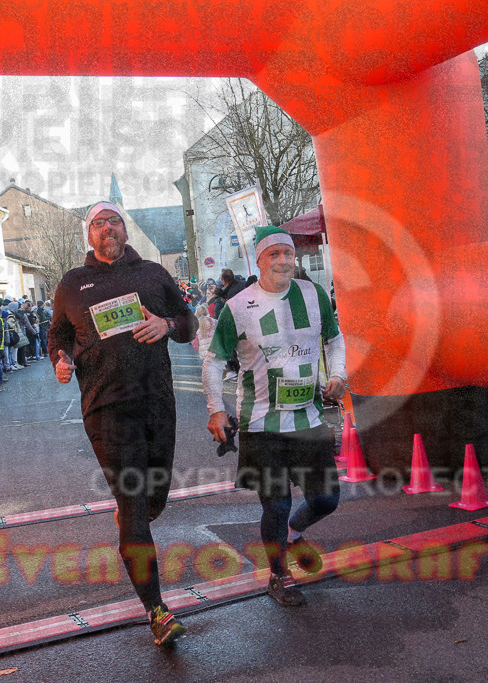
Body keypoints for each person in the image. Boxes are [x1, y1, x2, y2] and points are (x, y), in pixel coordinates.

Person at [48, 200, 196, 647]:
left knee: (155, 498)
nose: (107, 228)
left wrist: (167, 324)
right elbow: (58, 334)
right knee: (133, 506)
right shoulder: (73, 283)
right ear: (87, 236)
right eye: (98, 223)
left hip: (157, 401)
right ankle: (156, 609)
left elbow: (188, 323)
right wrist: (61, 358)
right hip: (106, 407)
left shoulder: (153, 273)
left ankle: (135, 513)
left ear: (125, 229)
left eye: (113, 221)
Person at [202, 225, 347, 607]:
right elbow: (214, 361)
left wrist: (337, 374)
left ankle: (293, 532)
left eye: (287, 253)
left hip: (308, 419)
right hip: (261, 423)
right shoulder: (238, 306)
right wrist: (216, 409)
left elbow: (334, 339)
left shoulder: (313, 294)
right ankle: (278, 576)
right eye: (273, 254)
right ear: (260, 260)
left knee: (327, 499)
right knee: (276, 503)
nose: (282, 260)